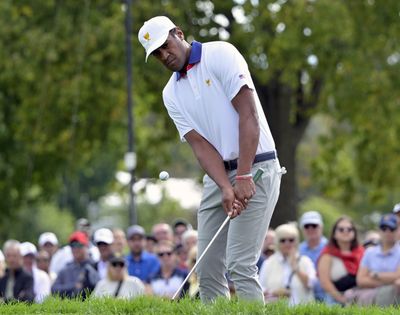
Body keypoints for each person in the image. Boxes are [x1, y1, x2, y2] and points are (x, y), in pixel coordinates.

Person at [138, 16, 282, 303]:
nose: (164, 55)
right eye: (156, 54)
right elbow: (201, 147)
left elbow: (248, 116)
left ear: (178, 33)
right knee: (206, 265)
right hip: (218, 176)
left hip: (257, 165)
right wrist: (226, 187)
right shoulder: (171, 93)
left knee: (240, 263)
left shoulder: (221, 53)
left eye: (165, 46)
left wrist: (242, 176)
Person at [348, 214, 400, 306]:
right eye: (384, 228)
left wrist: (375, 275)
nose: (387, 232)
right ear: (379, 230)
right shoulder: (369, 252)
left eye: (392, 229)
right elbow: (360, 280)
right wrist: (389, 281)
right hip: (370, 294)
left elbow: (397, 275)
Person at [259, 224, 316, 305]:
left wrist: (296, 268)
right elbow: (260, 288)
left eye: (291, 240)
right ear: (277, 242)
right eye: (283, 240)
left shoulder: (305, 261)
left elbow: (311, 284)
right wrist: (274, 292)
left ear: (296, 241)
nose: (287, 243)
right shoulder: (268, 263)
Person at [317, 216, 364, 305]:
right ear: (334, 234)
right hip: (335, 300)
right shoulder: (327, 254)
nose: (345, 231)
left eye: (349, 229)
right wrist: (341, 299)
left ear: (354, 233)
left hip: (360, 298)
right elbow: (325, 282)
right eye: (341, 229)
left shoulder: (362, 252)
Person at [51, 231, 99, 299]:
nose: (75, 248)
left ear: (86, 246)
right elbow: (54, 289)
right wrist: (73, 286)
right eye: (72, 245)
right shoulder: (66, 268)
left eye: (79, 245)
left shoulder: (94, 266)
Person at [298, 211, 328, 301]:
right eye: (307, 226)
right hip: (304, 297)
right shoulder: (298, 250)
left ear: (321, 227)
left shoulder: (331, 248)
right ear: (302, 229)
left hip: (328, 296)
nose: (310, 229)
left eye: (314, 225)